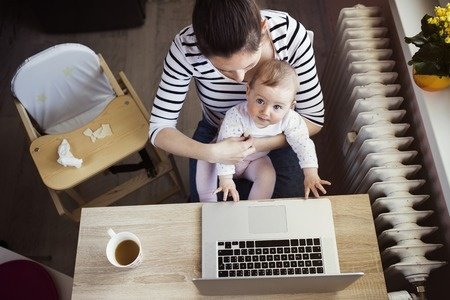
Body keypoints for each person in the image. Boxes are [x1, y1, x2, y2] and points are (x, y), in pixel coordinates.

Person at [149, 0, 325, 201]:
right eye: (224, 70)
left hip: (277, 133)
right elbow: (159, 129)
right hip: (216, 133)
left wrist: (257, 145)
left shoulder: (289, 35)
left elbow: (313, 119)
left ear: (263, 29)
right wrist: (212, 152)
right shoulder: (186, 48)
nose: (241, 80)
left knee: (288, 207)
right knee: (208, 209)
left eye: (251, 64)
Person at [196, 60, 330, 202]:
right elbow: (225, 147)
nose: (265, 112)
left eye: (277, 107)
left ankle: (255, 206)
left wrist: (311, 174)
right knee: (205, 161)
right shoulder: (236, 116)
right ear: (248, 92)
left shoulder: (290, 119)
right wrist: (226, 179)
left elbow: (303, 144)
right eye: (260, 101)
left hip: (254, 161)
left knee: (267, 174)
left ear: (291, 106)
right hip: (223, 157)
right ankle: (207, 202)